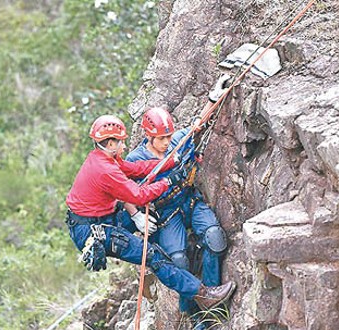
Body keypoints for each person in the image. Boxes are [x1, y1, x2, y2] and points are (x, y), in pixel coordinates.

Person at [65, 114, 236, 317]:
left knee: (154, 239)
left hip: (100, 218)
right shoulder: (105, 169)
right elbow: (139, 195)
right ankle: (203, 295)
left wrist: (170, 162)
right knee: (151, 255)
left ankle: (167, 252)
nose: (125, 145)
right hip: (92, 230)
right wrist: (168, 182)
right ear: (111, 143)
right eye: (121, 142)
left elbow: (136, 169)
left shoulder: (104, 158)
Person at [123, 76, 233, 330]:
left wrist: (213, 98)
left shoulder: (177, 142)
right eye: (161, 138)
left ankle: (213, 306)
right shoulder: (135, 160)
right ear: (149, 137)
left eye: (168, 136)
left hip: (188, 200)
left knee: (214, 238)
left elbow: (198, 124)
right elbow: (123, 190)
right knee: (179, 262)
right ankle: (194, 312)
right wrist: (137, 215)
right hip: (165, 212)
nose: (166, 142)